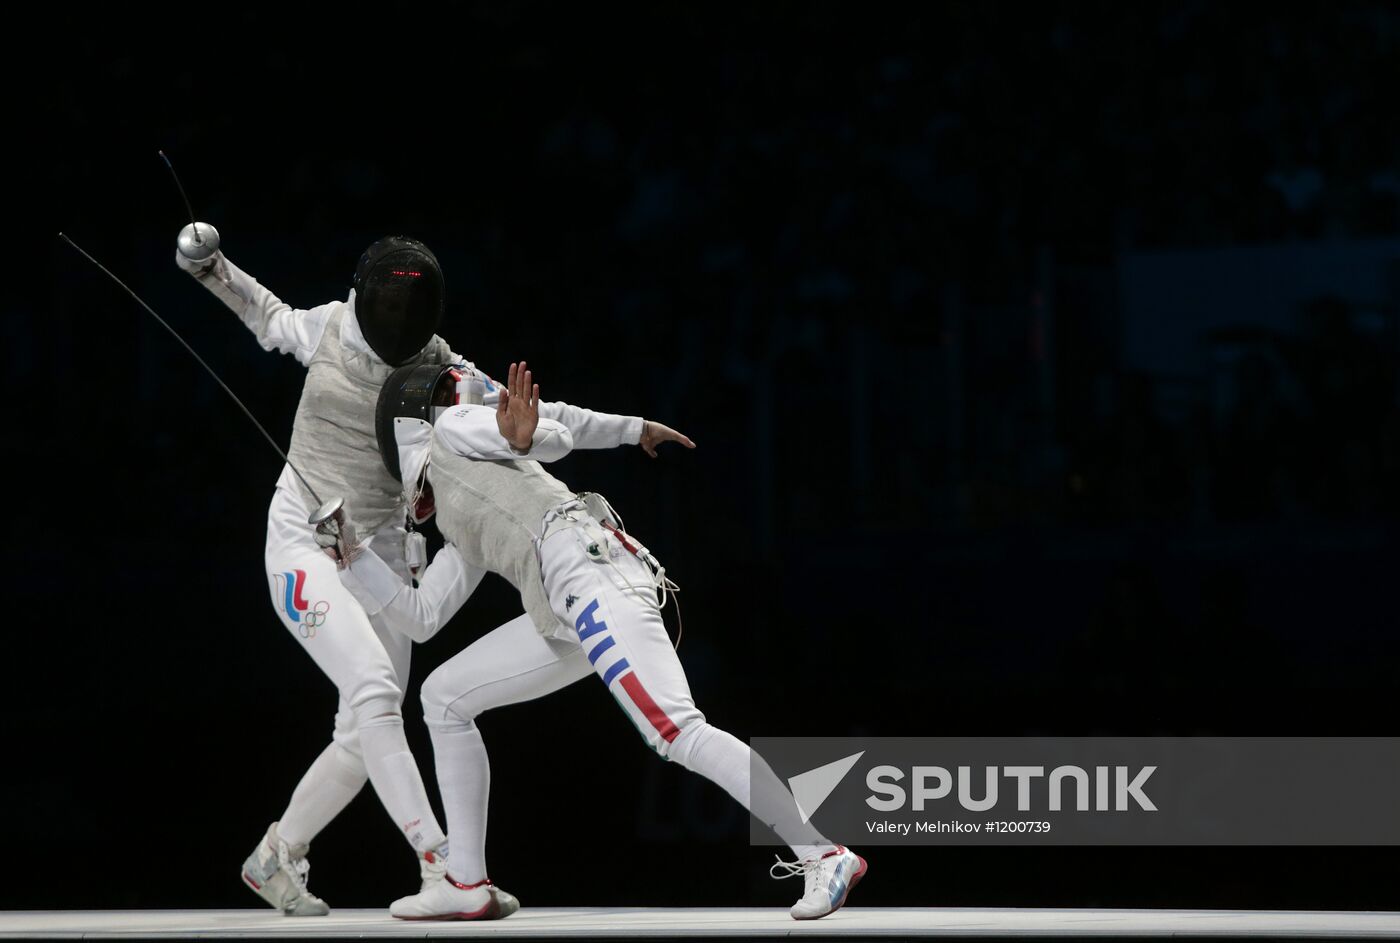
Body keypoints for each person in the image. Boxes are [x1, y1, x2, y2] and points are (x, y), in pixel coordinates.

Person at [321, 359, 867, 921]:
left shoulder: (454, 432)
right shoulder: (462, 512)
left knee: (676, 731)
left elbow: (552, 432)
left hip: (592, 578)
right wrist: (351, 558)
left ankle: (823, 852)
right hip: (567, 607)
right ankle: (466, 881)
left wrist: (527, 436)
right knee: (443, 698)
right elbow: (422, 615)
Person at [175, 232, 489, 915]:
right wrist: (213, 269)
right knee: (376, 691)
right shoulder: (333, 327)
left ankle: (276, 854)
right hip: (303, 543)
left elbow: (506, 419)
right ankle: (441, 865)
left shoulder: (443, 369)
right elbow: (267, 315)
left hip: (379, 554)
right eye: (390, 301)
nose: (398, 316)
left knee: (362, 729)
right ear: (366, 295)